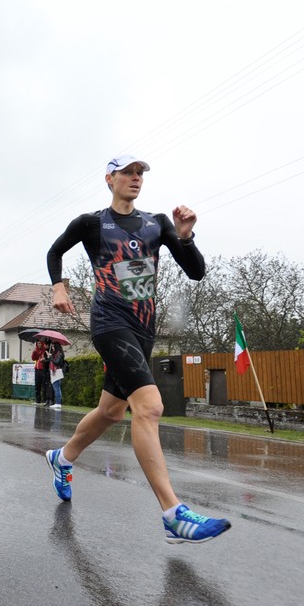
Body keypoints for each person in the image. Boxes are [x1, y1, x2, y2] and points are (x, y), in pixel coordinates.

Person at [44, 155, 231, 544]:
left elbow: (196, 272)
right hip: (110, 323)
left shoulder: (156, 223)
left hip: (143, 329)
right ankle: (172, 514)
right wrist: (59, 286)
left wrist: (184, 235)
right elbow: (55, 251)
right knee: (149, 407)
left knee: (111, 411)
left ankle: (62, 458)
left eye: (140, 173)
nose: (135, 178)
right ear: (109, 179)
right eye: (127, 172)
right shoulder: (92, 223)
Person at [32, 340, 51, 406]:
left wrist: (44, 357)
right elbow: (33, 358)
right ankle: (38, 400)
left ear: (42, 344)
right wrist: (34, 352)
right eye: (37, 343)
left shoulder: (45, 350)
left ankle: (45, 400)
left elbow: (47, 359)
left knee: (44, 385)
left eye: (40, 343)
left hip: (43, 369)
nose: (38, 344)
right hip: (37, 369)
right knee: (37, 385)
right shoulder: (36, 350)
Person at [48, 341, 66, 409]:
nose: (52, 347)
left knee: (57, 388)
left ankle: (58, 403)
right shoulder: (55, 354)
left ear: (56, 346)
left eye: (53, 346)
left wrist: (51, 358)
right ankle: (57, 402)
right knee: (56, 388)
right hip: (54, 372)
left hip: (57, 372)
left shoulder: (59, 354)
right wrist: (50, 357)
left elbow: (57, 363)